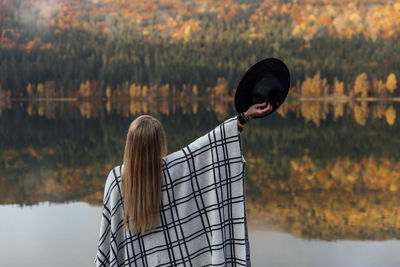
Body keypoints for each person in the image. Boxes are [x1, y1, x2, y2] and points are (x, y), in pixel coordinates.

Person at [95, 102, 272, 267]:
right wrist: (244, 117)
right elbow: (212, 143)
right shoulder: (175, 169)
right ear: (159, 142)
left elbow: (109, 240)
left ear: (130, 144)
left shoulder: (116, 179)